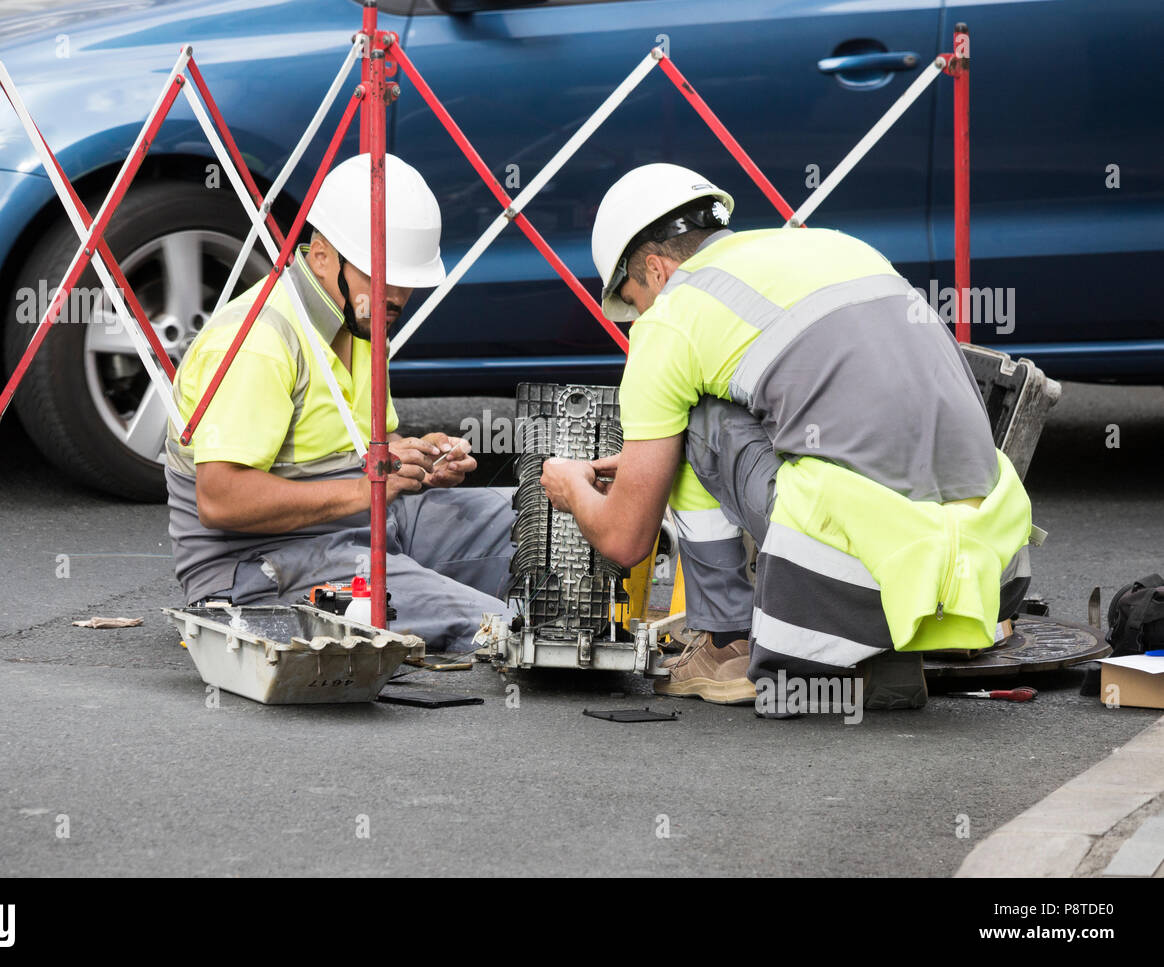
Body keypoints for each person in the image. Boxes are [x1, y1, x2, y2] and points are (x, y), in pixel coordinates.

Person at [540, 163, 1035, 710]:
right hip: (991, 571)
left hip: (853, 576)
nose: (637, 318)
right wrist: (640, 466)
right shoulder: (837, 248)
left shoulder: (671, 318)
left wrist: (571, 486)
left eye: (632, 301)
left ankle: (728, 638)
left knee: (692, 422)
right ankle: (882, 648)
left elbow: (625, 540)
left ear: (654, 270)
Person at [164, 153, 514, 651]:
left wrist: (416, 457)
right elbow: (220, 499)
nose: (397, 294)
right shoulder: (260, 342)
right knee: (497, 628)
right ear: (322, 255)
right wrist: (372, 487)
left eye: (405, 278)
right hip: (264, 566)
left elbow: (369, 445)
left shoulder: (362, 318)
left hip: (363, 524)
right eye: (380, 274)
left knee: (543, 518)